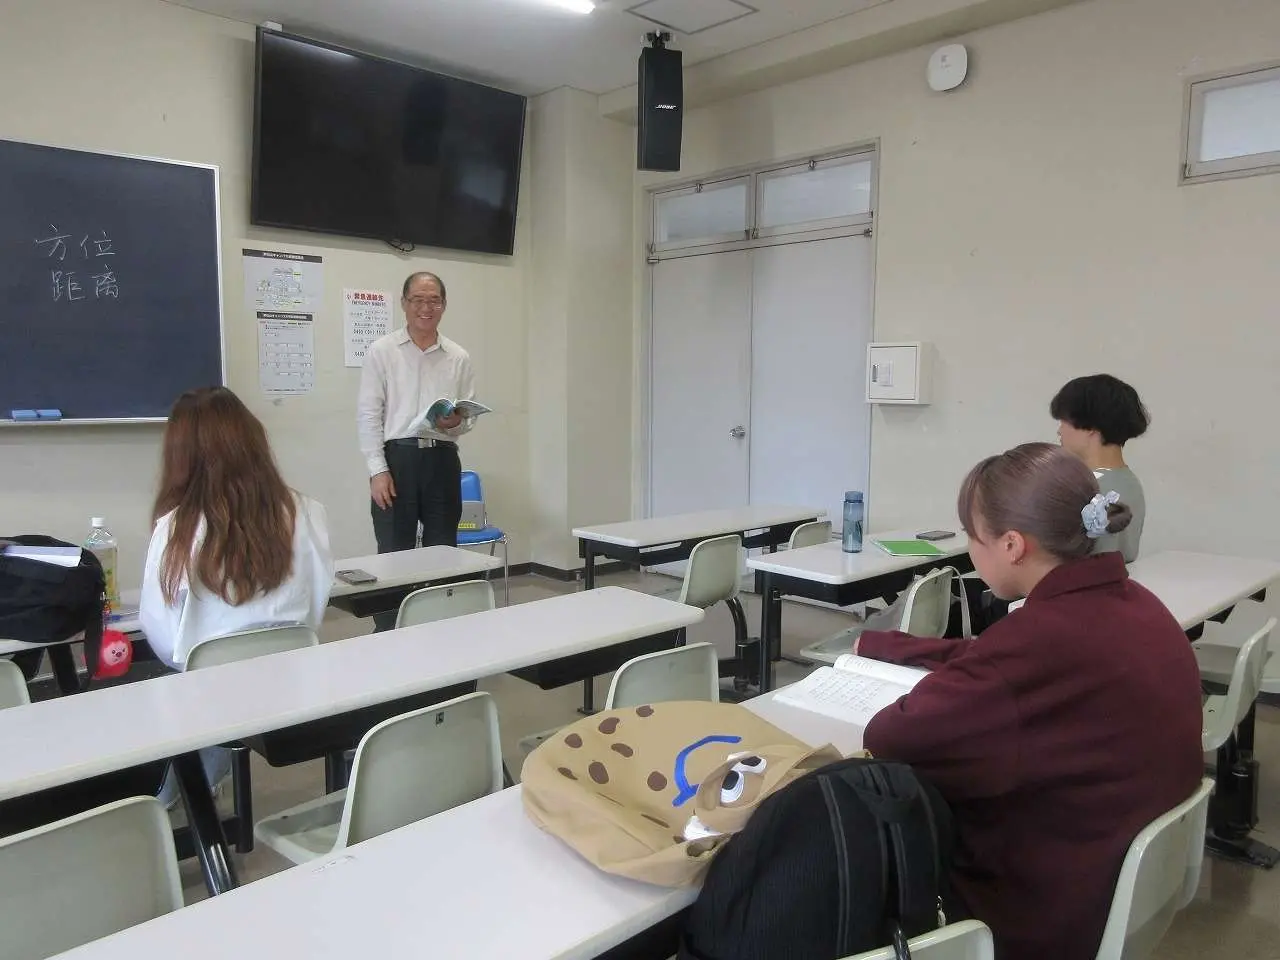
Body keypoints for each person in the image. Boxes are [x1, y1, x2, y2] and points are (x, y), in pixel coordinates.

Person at [855, 443, 1201, 960]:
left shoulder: (1036, 643)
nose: (970, 548)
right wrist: (890, 646)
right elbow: (992, 658)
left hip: (1040, 911)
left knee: (864, 818)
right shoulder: (1133, 604)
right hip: (1122, 880)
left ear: (1013, 545)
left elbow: (889, 736)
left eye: (972, 535)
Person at [140, 387, 333, 800]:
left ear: (180, 456)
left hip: (209, 698)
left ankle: (169, 797)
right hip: (292, 683)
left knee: (161, 678)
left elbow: (162, 637)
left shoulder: (176, 529)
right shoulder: (306, 512)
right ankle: (202, 780)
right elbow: (316, 607)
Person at [357, 271, 476, 630]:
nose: (426, 307)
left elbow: (467, 418)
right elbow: (368, 414)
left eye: (434, 300)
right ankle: (388, 631)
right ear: (404, 303)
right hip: (398, 460)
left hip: (442, 458)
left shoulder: (458, 356)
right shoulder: (382, 351)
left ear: (444, 305)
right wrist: (378, 470)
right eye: (418, 300)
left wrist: (456, 422)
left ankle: (440, 627)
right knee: (394, 552)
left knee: (443, 550)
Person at [1050, 374, 1149, 561]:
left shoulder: (1083, 489)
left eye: (1064, 421)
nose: (1059, 430)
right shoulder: (1130, 483)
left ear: (1090, 427)